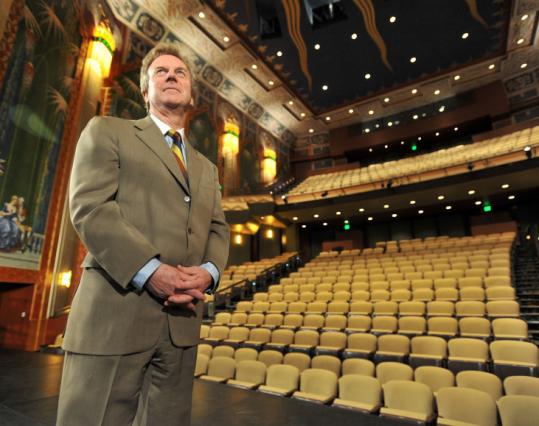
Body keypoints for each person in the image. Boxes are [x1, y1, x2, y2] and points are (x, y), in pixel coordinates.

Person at [57, 43, 230, 426]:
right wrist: (150, 270)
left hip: (181, 323)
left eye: (180, 72)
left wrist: (209, 272)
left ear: (191, 95)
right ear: (145, 91)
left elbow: (219, 228)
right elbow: (91, 208)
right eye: (161, 72)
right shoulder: (108, 131)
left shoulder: (207, 168)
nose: (171, 76)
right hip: (115, 314)